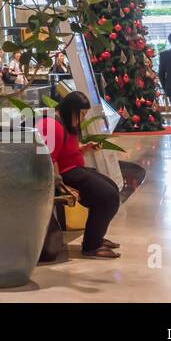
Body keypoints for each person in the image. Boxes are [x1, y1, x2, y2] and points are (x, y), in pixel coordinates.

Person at [37, 91, 121, 258]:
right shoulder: (52, 125)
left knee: (111, 189)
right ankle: (91, 245)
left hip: (74, 170)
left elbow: (65, 153)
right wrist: (61, 186)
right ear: (72, 110)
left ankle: (95, 238)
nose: (82, 118)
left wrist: (84, 149)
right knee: (107, 196)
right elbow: (48, 160)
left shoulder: (65, 125)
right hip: (66, 175)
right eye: (81, 114)